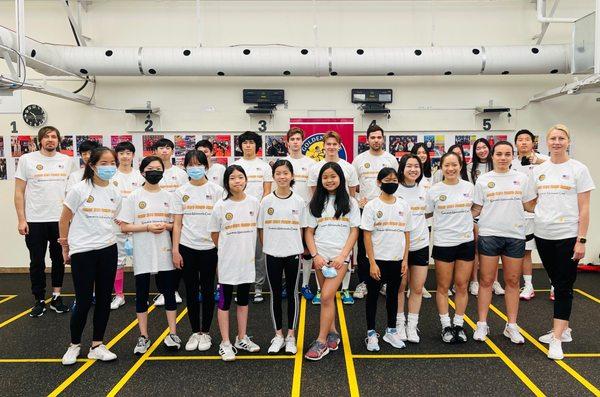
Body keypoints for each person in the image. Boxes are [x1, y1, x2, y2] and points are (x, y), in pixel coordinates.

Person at [532, 125, 594, 360]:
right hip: (543, 235)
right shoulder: (539, 170)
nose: (557, 142)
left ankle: (557, 339)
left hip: (568, 236)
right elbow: (532, 200)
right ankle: (564, 329)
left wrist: (582, 240)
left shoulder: (578, 169)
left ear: (568, 141)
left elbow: (585, 208)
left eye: (561, 138)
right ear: (547, 143)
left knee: (563, 286)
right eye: (553, 138)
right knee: (556, 281)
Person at [59, 147, 121, 365]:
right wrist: (65, 247)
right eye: (103, 163)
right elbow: (64, 219)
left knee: (104, 299)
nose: (109, 167)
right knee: (84, 300)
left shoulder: (115, 192)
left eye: (112, 163)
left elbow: (113, 220)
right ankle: (74, 345)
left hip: (108, 249)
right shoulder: (79, 189)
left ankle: (97, 345)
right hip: (83, 251)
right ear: (92, 165)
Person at [471, 141, 536, 344]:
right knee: (486, 281)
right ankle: (482, 324)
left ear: (513, 156)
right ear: (492, 156)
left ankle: (512, 326)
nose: (503, 157)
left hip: (515, 236)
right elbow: (476, 209)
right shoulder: (483, 180)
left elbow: (529, 205)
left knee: (513, 281)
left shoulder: (522, 179)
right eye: (499, 154)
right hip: (489, 234)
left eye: (507, 154)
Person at [118, 156, 181, 355]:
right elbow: (125, 226)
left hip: (164, 251)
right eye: (150, 168)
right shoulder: (133, 197)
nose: (155, 171)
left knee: (169, 292)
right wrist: (147, 227)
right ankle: (143, 336)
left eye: (158, 168)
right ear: (142, 172)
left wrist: (165, 226)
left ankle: (173, 333)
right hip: (143, 252)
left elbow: (176, 224)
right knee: (141, 294)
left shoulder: (169, 196)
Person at [14, 126, 74, 317]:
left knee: (59, 259)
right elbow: (19, 192)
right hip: (34, 220)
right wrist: (21, 219)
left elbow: (71, 193)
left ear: (58, 140)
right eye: (46, 137)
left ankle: (56, 296)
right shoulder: (27, 160)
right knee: (37, 261)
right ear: (40, 140)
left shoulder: (67, 161)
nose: (50, 140)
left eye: (54, 137)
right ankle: (39, 299)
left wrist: (71, 220)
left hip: (59, 220)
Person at [304, 162, 360, 361]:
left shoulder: (351, 203)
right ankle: (333, 332)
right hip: (320, 257)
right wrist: (315, 255)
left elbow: (354, 231)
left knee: (327, 296)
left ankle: (320, 341)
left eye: (333, 176)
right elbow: (309, 232)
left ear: (341, 178)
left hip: (339, 259)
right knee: (327, 298)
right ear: (320, 180)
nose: (329, 180)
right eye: (325, 177)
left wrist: (343, 256)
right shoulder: (314, 203)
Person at [172, 150, 224, 352]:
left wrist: (221, 248)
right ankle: (195, 332)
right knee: (191, 292)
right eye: (191, 165)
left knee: (209, 291)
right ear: (185, 167)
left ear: (206, 167)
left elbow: (222, 223)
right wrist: (175, 250)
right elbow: (177, 224)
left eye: (199, 164)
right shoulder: (180, 192)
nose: (195, 168)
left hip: (210, 248)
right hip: (187, 247)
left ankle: (207, 332)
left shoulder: (217, 191)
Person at [209, 165, 261, 361]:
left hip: (246, 262)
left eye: (240, 177)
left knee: (243, 301)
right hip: (227, 264)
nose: (237, 181)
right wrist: (226, 251)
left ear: (246, 180)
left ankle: (241, 338)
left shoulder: (254, 203)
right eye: (233, 178)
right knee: (224, 303)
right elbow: (214, 234)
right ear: (227, 182)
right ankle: (225, 342)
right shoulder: (220, 206)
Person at [258, 159, 306, 354]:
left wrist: (296, 247)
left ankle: (291, 336)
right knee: (275, 295)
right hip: (272, 254)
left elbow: (302, 229)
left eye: (286, 173)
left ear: (292, 176)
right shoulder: (266, 201)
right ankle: (278, 335)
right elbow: (261, 229)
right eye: (278, 173)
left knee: (293, 295)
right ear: (273, 176)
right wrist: (270, 247)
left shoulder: (299, 201)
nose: (282, 176)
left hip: (293, 253)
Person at [427, 152, 475, 344]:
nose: (451, 169)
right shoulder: (434, 190)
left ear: (460, 166)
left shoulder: (470, 188)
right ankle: (446, 325)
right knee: (443, 287)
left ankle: (459, 324)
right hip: (443, 242)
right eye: (447, 165)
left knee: (462, 285)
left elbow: (476, 209)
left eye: (454, 165)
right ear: (442, 168)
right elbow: (426, 213)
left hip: (465, 242)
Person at [362, 167, 411, 351]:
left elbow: (407, 233)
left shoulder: (403, 205)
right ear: (379, 182)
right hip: (377, 260)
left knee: (393, 295)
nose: (391, 183)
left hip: (397, 259)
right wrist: (372, 262)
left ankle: (391, 331)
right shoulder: (372, 206)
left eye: (394, 180)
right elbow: (367, 236)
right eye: (387, 180)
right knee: (373, 297)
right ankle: (371, 333)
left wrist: (405, 259)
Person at [307, 131, 359, 305]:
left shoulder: (349, 167)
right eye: (327, 144)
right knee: (321, 260)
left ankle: (345, 289)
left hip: (342, 220)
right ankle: (320, 290)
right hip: (324, 222)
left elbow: (351, 194)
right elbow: (316, 195)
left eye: (334, 144)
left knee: (344, 257)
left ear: (339, 145)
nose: (331, 147)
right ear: (323, 146)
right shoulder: (315, 168)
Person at [352, 124, 398, 301]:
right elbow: (353, 185)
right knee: (364, 247)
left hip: (387, 209)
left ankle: (384, 282)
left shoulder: (391, 159)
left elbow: (395, 183)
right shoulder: (359, 160)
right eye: (373, 137)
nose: (376, 140)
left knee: (384, 245)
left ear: (383, 139)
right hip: (365, 210)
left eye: (379, 137)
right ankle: (363, 282)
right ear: (367, 140)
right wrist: (357, 199)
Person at [233, 131, 273, 303]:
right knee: (240, 253)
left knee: (258, 254)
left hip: (258, 216)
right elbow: (231, 191)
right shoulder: (235, 166)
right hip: (239, 217)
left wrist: (259, 212)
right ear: (240, 146)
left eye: (251, 142)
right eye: (245, 142)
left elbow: (267, 191)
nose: (248, 145)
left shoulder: (264, 166)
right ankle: (241, 286)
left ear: (257, 145)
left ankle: (258, 287)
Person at [510, 129, 550, 301]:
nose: (524, 142)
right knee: (526, 252)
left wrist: (539, 161)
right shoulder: (512, 163)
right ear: (516, 143)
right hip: (522, 214)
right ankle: (528, 286)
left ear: (533, 143)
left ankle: (555, 284)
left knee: (548, 250)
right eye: (520, 139)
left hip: (543, 212)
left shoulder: (546, 161)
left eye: (527, 139)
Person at [395, 154, 431, 343]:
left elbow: (430, 211)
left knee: (417, 288)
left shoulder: (426, 189)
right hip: (399, 247)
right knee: (400, 287)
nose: (413, 169)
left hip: (421, 244)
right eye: (409, 166)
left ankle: (412, 326)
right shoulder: (395, 189)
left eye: (416, 166)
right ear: (402, 168)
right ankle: (399, 324)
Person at [466, 138, 504, 297]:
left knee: (493, 250)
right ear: (474, 151)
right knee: (476, 248)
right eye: (478, 148)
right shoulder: (470, 168)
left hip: (493, 212)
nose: (481, 150)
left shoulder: (496, 164)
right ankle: (474, 281)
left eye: (484, 147)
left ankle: (494, 281)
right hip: (476, 211)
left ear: (490, 149)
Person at [152, 138, 187, 306]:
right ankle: (162, 291)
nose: (164, 150)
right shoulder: (152, 170)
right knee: (161, 257)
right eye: (161, 148)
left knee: (176, 255)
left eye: (168, 148)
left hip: (177, 221)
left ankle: (174, 290)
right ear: (155, 151)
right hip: (158, 221)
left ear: (172, 151)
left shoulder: (180, 173)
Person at [110, 141, 144, 310]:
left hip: (136, 226)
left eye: (128, 153)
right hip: (116, 225)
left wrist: (132, 221)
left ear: (133, 155)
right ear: (117, 155)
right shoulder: (111, 177)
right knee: (118, 261)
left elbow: (143, 201)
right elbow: (108, 201)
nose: (125, 156)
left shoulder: (139, 176)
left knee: (139, 260)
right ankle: (119, 295)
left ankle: (141, 295)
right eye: (121, 153)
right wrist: (118, 218)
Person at [285, 127, 317, 302]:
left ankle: (305, 284)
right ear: (287, 142)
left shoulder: (311, 163)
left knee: (306, 251)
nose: (296, 142)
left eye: (298, 139)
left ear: (302, 141)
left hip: (306, 213)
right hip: (287, 214)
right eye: (292, 139)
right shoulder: (282, 162)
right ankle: (288, 284)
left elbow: (313, 190)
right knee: (287, 252)